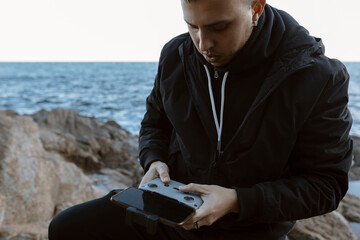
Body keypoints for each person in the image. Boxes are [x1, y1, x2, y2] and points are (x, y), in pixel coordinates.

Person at [48, 0, 353, 239]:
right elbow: (155, 123)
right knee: (66, 228)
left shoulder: (316, 76)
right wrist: (153, 159)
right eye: (193, 26)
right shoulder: (176, 55)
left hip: (248, 230)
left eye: (219, 27)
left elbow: (326, 186)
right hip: (171, 215)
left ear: (256, 8)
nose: (203, 43)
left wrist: (235, 200)